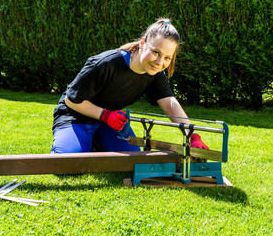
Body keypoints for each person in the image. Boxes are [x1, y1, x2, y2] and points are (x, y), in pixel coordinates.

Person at [51, 18, 209, 154]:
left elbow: (170, 104)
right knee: (67, 166)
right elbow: (71, 100)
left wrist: (192, 135)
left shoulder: (154, 74)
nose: (160, 63)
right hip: (75, 117)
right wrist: (105, 115)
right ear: (142, 44)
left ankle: (95, 143)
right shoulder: (104, 64)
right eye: (155, 52)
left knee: (131, 162)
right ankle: (84, 143)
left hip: (110, 123)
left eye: (167, 57)